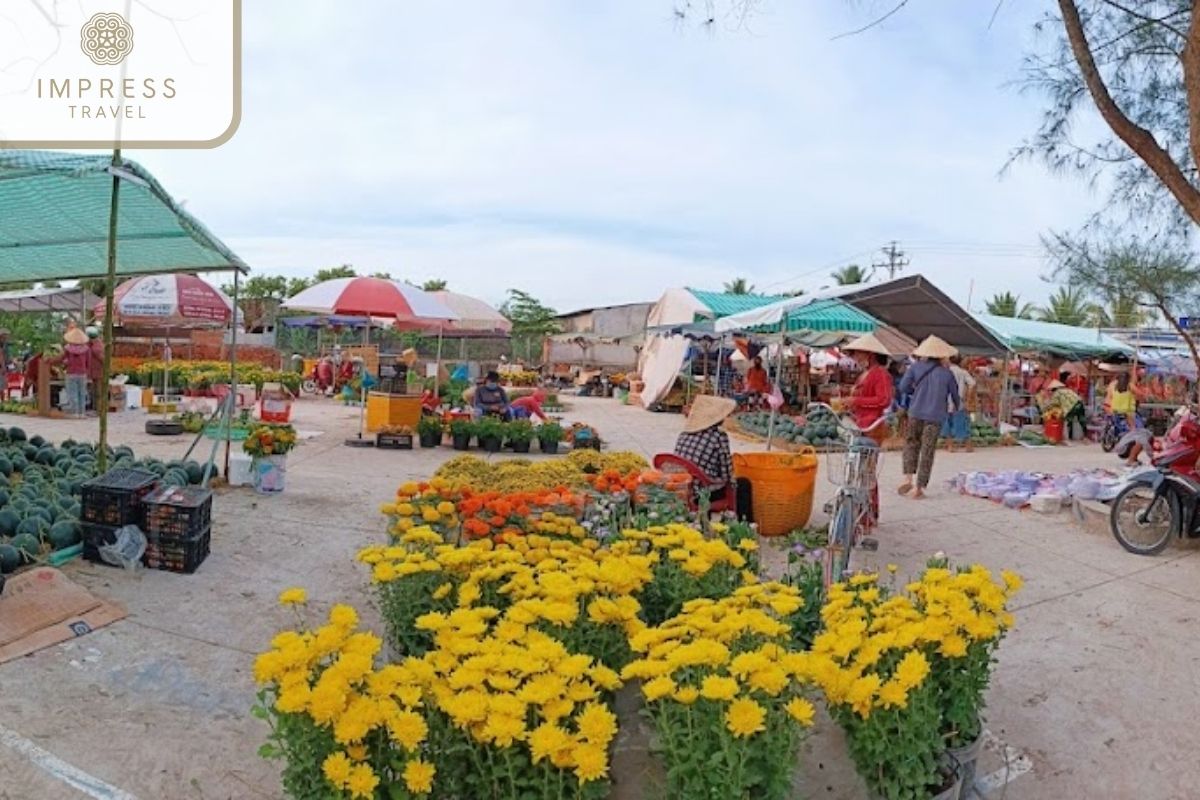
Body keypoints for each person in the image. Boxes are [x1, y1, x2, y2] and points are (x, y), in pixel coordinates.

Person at [839, 333, 894, 526]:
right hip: (859, 424)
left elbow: (884, 399)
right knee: (856, 470)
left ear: (868, 353)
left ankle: (869, 514)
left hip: (873, 426)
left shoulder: (880, 374)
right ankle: (859, 511)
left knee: (867, 471)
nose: (855, 356)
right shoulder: (866, 373)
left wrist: (856, 400)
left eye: (857, 353)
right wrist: (851, 404)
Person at [897, 336, 960, 499]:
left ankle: (907, 478)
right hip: (935, 416)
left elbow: (903, 387)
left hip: (915, 412)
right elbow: (955, 395)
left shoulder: (915, 368)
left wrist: (916, 393)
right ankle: (919, 488)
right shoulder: (947, 374)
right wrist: (957, 408)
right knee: (927, 450)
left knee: (911, 443)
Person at [674, 394, 736, 490]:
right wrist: (733, 484)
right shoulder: (718, 437)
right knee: (744, 483)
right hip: (702, 492)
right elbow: (726, 473)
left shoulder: (684, 433)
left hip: (680, 484)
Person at [54, 326, 91, 418]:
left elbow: (61, 358)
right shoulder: (86, 349)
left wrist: (51, 361)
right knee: (82, 393)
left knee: (72, 393)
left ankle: (74, 412)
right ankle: (82, 413)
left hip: (71, 373)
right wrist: (87, 371)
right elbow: (88, 362)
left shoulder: (68, 349)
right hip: (82, 373)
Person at [942, 355, 977, 452]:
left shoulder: (945, 372)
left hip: (946, 401)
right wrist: (968, 398)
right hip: (959, 401)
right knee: (962, 423)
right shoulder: (963, 372)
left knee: (947, 423)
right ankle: (968, 446)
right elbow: (972, 384)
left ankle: (950, 446)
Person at [86, 326, 104, 414]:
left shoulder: (97, 346)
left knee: (99, 392)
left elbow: (103, 359)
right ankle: (96, 408)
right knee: (94, 391)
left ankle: (99, 410)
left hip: (99, 372)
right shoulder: (91, 345)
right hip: (93, 371)